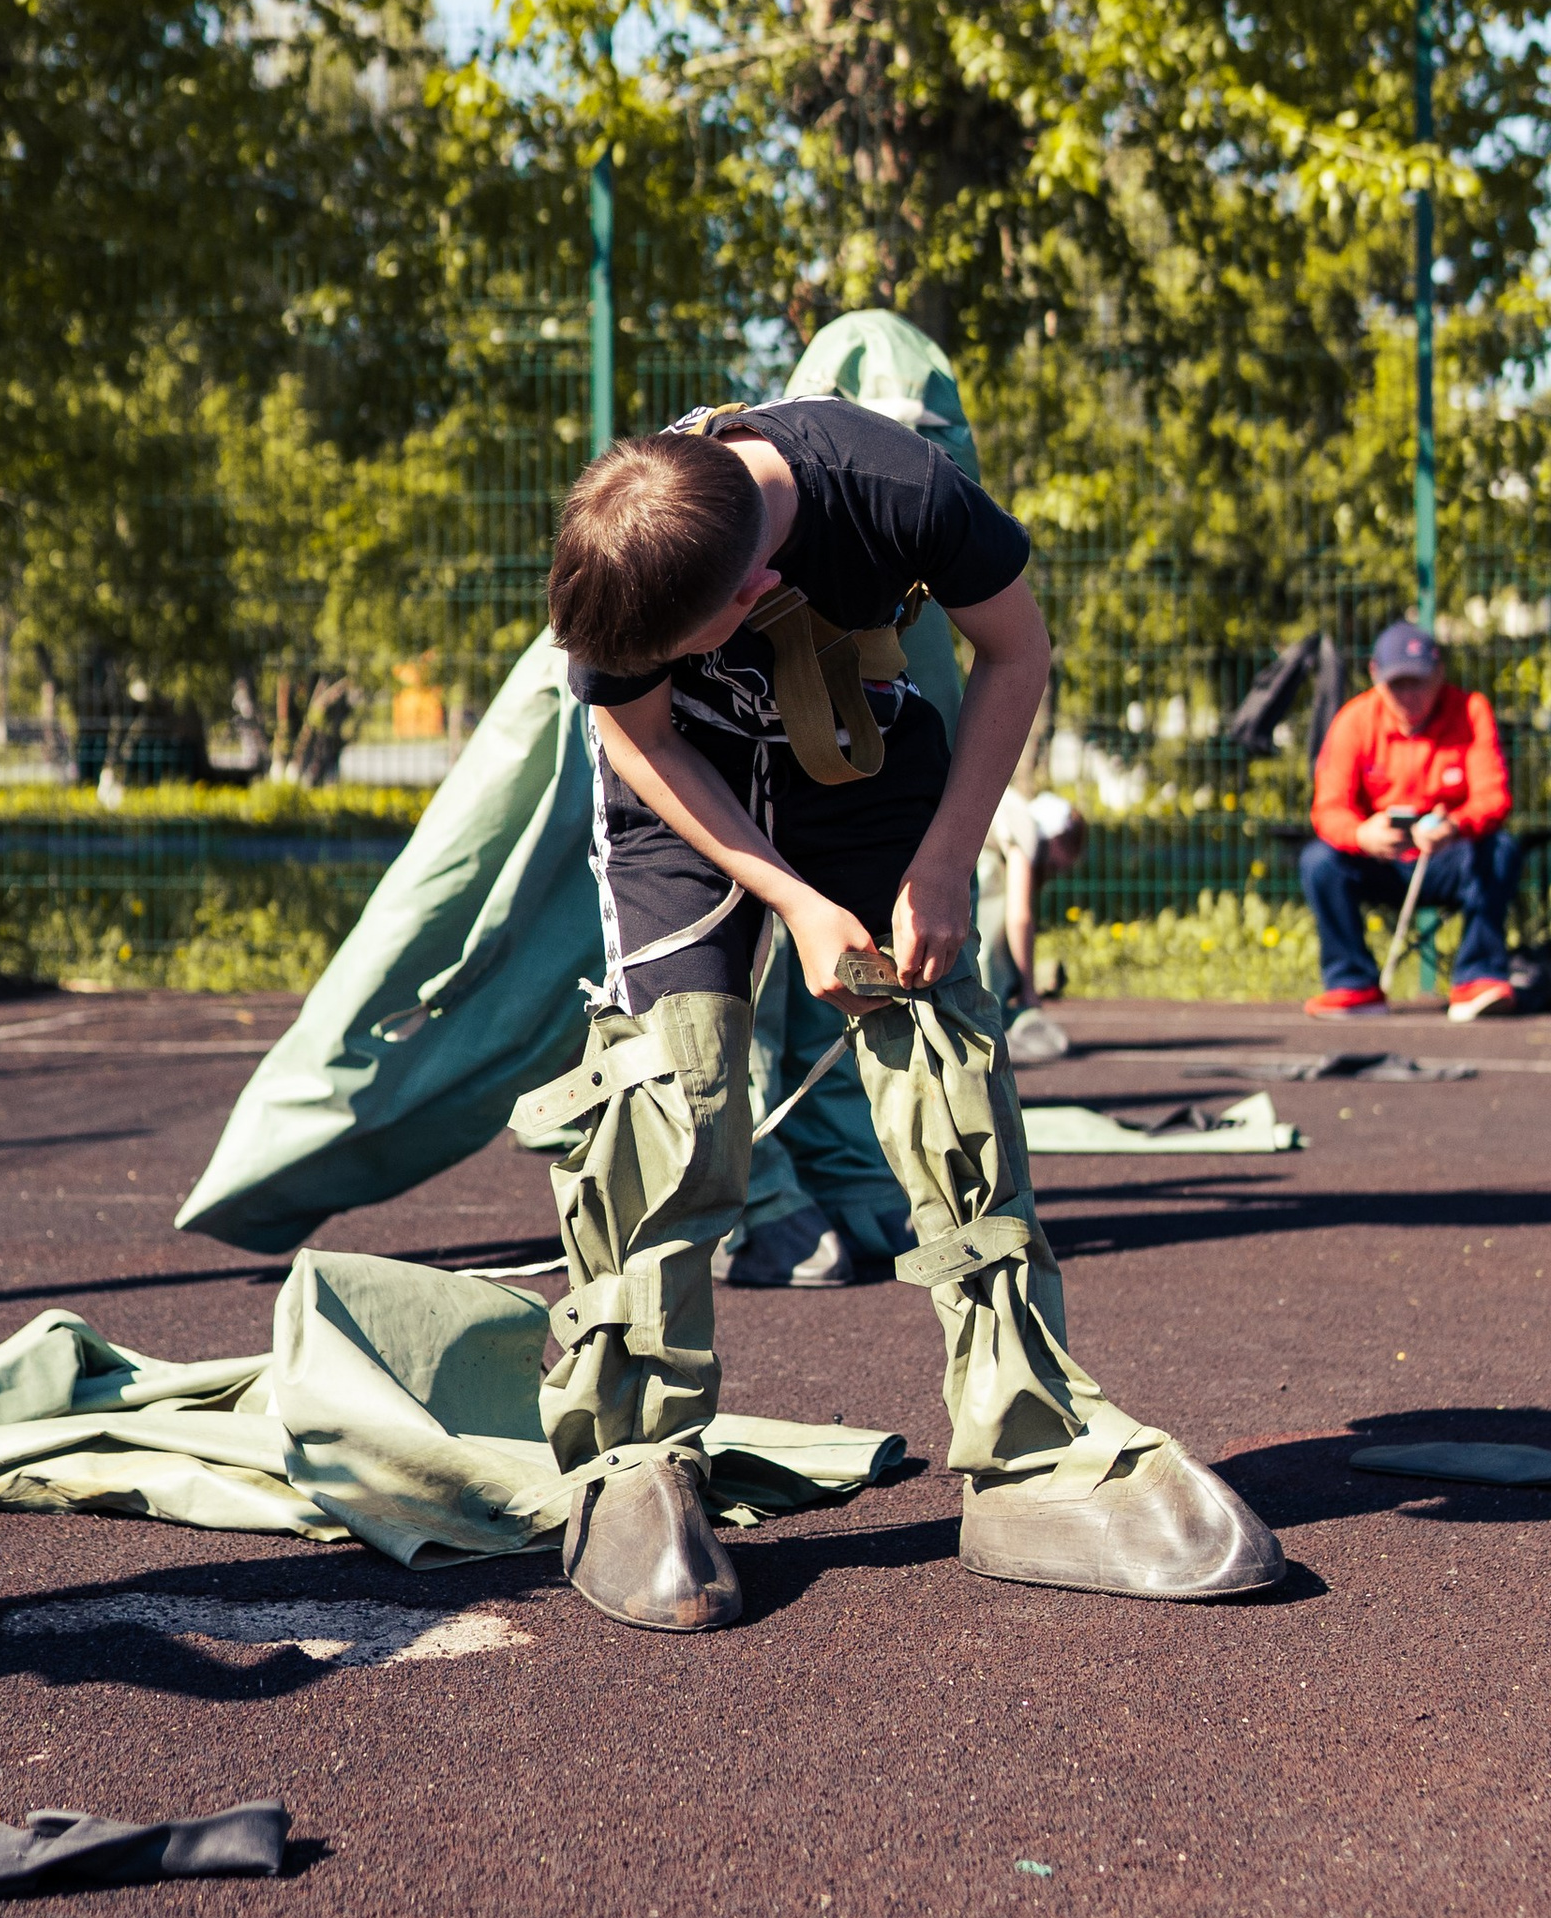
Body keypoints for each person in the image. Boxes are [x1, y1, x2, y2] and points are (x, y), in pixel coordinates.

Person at [531, 396, 1283, 1632]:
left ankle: (1026, 1440)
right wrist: (791, 903)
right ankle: (633, 1450)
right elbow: (638, 733)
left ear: (753, 589)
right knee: (671, 1095)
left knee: (945, 1075)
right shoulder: (629, 551)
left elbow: (1019, 652)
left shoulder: (897, 489)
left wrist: (944, 863)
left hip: (861, 764)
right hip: (690, 790)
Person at [1302, 621, 1520, 1020]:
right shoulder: (1354, 720)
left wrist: (1455, 825)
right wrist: (1363, 834)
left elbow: (1493, 797)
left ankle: (1478, 978)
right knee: (1318, 862)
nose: (1408, 696)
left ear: (1439, 673)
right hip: (1379, 862)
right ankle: (1352, 983)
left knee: (1501, 850)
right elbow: (1328, 808)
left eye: (1417, 682)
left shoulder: (1471, 712)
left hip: (1447, 858)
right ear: (1374, 676)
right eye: (1396, 684)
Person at [978, 784, 1087, 1064]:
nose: (1056, 870)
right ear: (1058, 838)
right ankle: (984, 1024)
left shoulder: (1016, 812)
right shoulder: (1025, 828)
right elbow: (1019, 916)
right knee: (993, 901)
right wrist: (1029, 990)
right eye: (1058, 864)